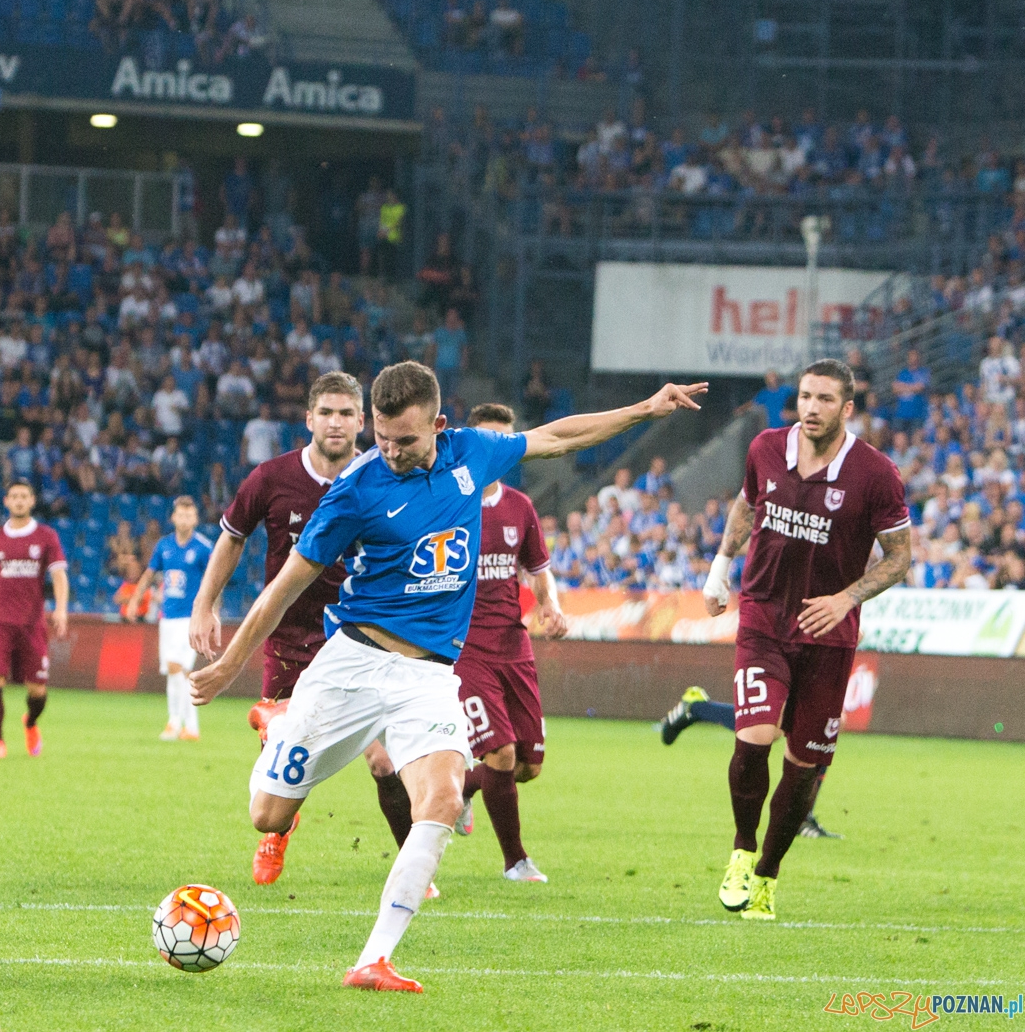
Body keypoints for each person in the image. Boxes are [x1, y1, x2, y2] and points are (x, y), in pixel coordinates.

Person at [189, 361, 705, 991]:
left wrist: (644, 410)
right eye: (380, 436)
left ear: (437, 424)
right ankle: (277, 729)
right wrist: (227, 668)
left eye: (404, 439)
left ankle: (372, 959)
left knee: (443, 797)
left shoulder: (471, 453)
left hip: (430, 677)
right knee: (268, 816)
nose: (390, 451)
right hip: (352, 664)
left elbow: (557, 437)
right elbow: (281, 589)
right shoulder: (354, 490)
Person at [192, 372, 425, 888]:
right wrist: (204, 603)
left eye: (346, 413)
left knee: (385, 761)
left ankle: (414, 868)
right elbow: (232, 539)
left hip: (362, 638)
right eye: (327, 413)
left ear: (363, 421)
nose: (336, 423)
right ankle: (274, 837)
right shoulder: (272, 478)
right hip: (289, 636)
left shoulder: (385, 475)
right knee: (283, 760)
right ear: (309, 419)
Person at [703, 359, 909, 922]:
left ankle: (768, 875)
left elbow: (900, 557)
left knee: (804, 767)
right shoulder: (766, 448)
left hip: (829, 636)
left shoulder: (876, 473)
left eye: (824, 399)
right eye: (805, 396)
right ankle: (743, 851)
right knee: (754, 738)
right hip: (765, 621)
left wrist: (847, 599)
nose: (811, 408)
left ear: (847, 408)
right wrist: (721, 566)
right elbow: (747, 504)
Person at [455, 403, 569, 883]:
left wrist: (550, 606)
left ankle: (460, 788)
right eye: (488, 440)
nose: (496, 451)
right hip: (464, 648)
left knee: (527, 766)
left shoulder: (520, 506)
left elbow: (538, 569)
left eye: (505, 441)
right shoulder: (449, 499)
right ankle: (515, 860)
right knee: (499, 755)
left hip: (514, 645)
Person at [0, 480, 69, 758]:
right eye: (14, 496)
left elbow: (58, 575)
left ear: (32, 501)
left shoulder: (46, 536)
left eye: (25, 496)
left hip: (32, 623)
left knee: (37, 690)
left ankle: (30, 722)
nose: (19, 501)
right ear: (5, 501)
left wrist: (61, 609)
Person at [658, 687, 841, 839]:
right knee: (778, 723)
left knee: (821, 722)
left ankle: (803, 816)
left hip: (826, 652)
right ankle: (697, 708)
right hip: (796, 649)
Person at [124, 496, 212, 741]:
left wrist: (211, 612)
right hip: (168, 617)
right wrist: (134, 600)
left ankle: (175, 723)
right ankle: (190, 728)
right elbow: (150, 574)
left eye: (189, 514)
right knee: (177, 672)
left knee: (178, 667)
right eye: (180, 514)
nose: (184, 519)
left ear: (195, 518)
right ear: (173, 517)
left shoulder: (204, 547)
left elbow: (216, 580)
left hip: (191, 618)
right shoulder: (164, 546)